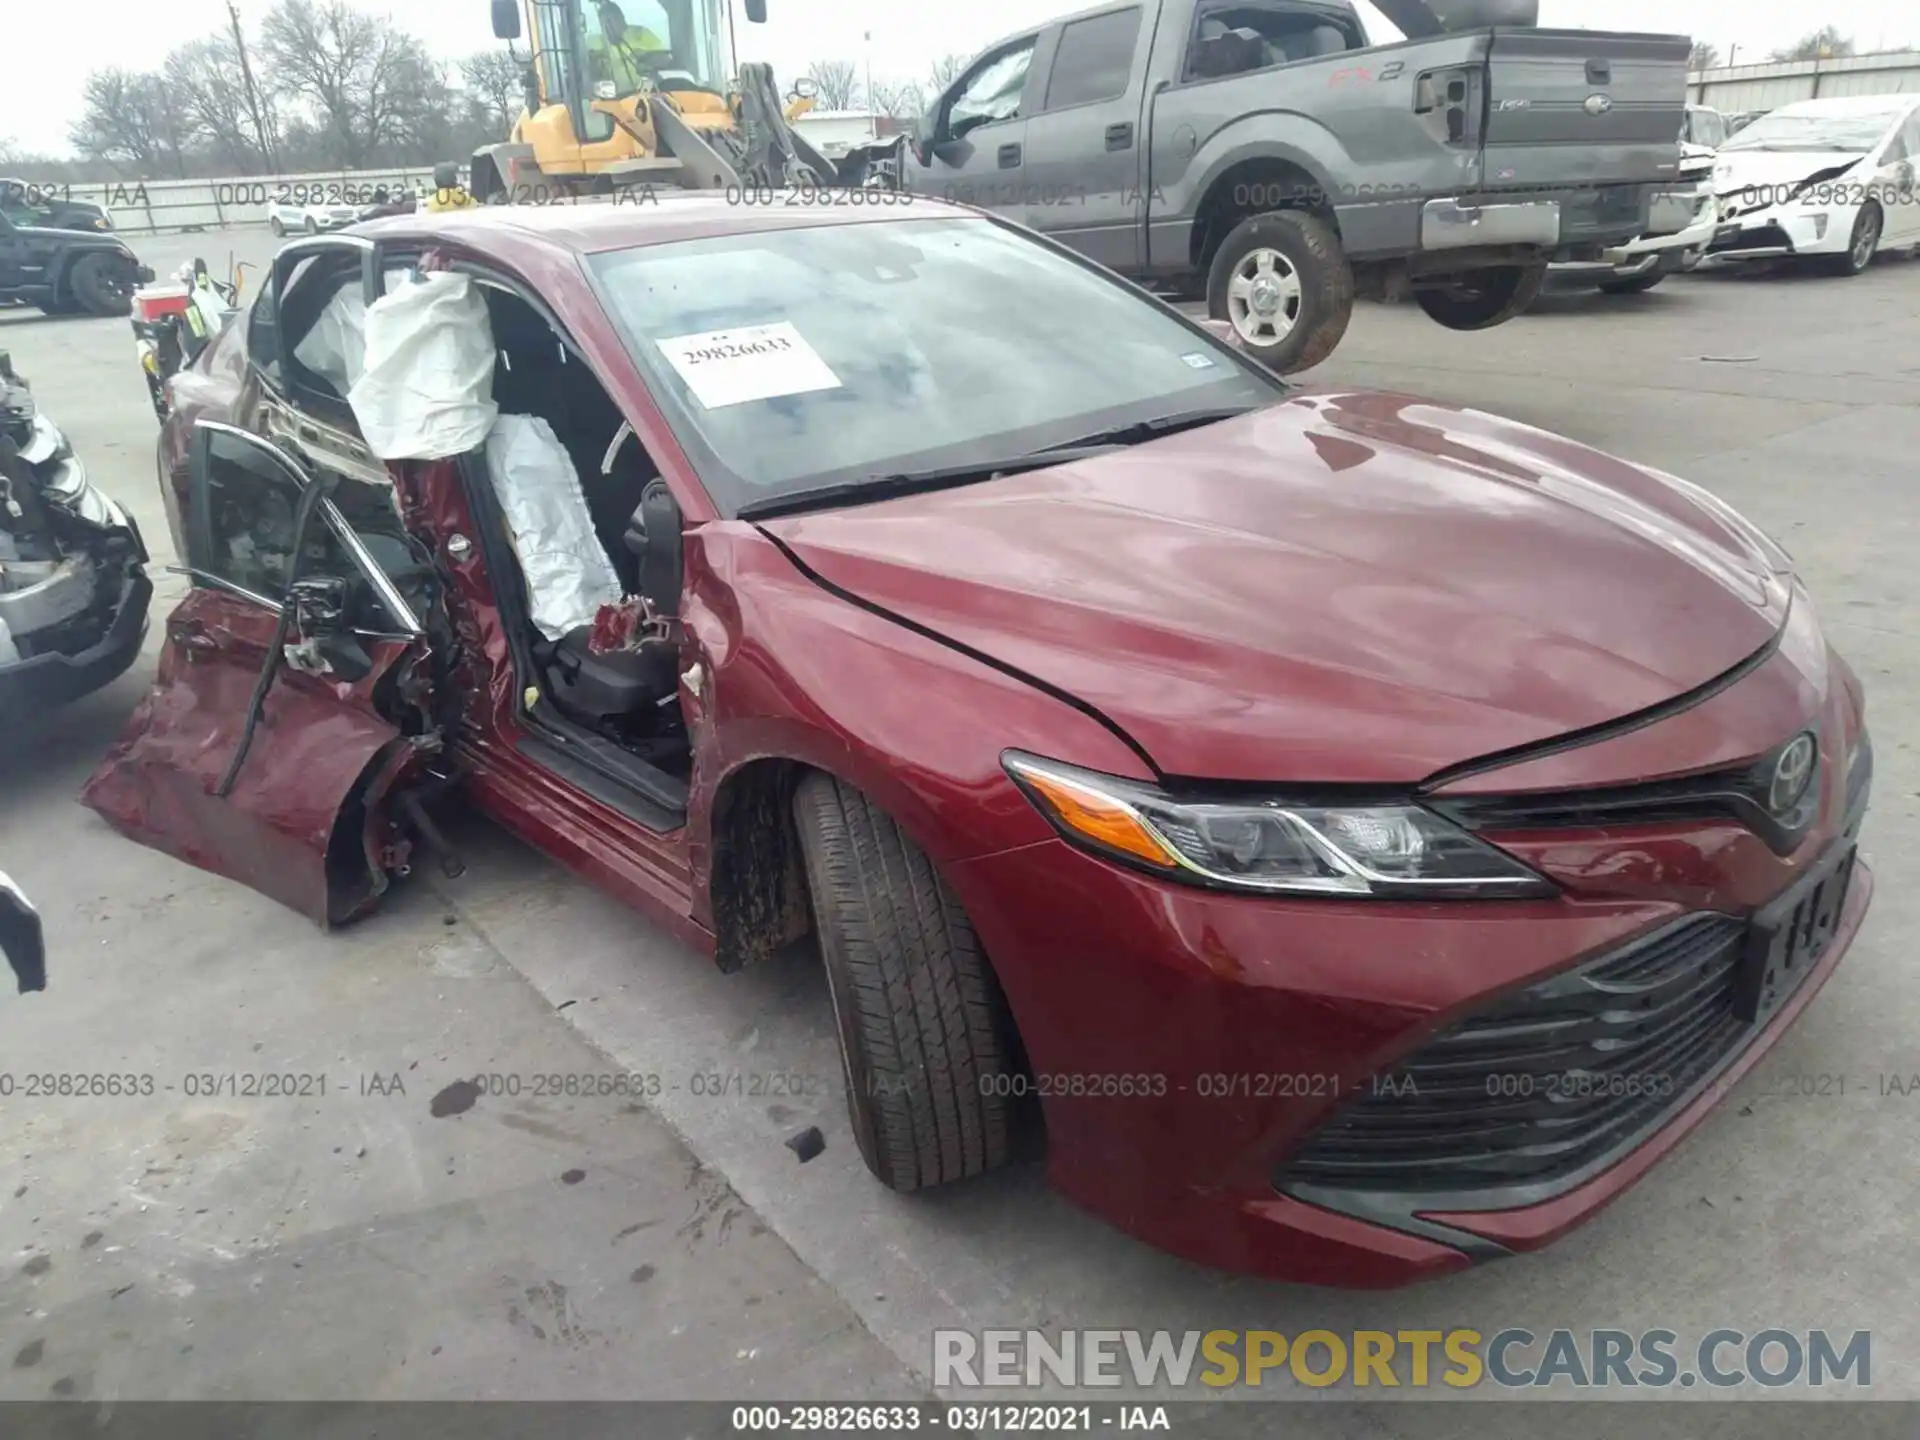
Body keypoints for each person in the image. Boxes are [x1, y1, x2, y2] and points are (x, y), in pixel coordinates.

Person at [588, 1, 669, 95]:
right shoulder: (593, 43)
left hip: (647, 94)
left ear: (622, 18)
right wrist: (596, 63)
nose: (609, 25)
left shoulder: (641, 34)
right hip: (608, 99)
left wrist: (647, 59)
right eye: (605, 21)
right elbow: (585, 72)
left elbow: (665, 59)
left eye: (613, 19)